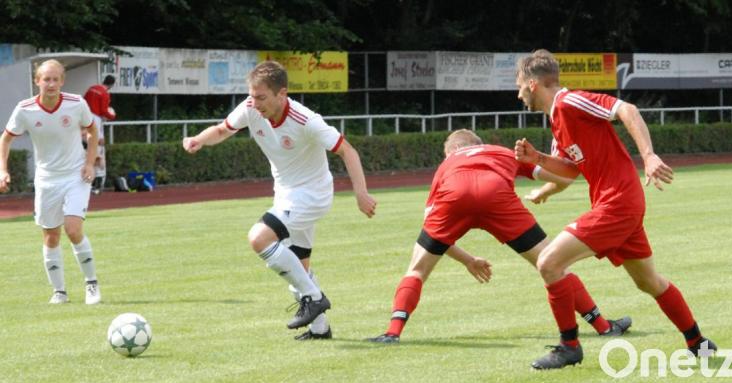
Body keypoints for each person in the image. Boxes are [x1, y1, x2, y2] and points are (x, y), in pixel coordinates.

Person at [513, 49, 716, 370]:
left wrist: (648, 156)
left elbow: (627, 110)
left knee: (549, 263)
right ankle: (698, 343)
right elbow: (570, 170)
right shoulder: (556, 120)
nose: (518, 93)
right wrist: (538, 162)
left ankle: (569, 347)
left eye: (519, 85)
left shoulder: (569, 102)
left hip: (617, 203)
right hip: (620, 204)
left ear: (533, 84)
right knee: (648, 282)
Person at [367, 129, 631, 344]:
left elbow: (431, 228)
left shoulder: (448, 164)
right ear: (478, 144)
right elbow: (562, 178)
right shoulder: (500, 151)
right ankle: (603, 326)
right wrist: (544, 192)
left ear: (452, 150)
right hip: (498, 196)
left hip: (454, 195)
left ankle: (392, 332)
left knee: (417, 269)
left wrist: (467, 260)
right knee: (553, 263)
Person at [183, 60, 377, 340]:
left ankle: (314, 298)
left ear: (282, 94)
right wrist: (199, 139)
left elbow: (348, 150)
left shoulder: (305, 120)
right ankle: (320, 328)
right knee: (298, 265)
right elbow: (223, 130)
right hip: (286, 193)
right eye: (252, 96)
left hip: (312, 195)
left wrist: (361, 193)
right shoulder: (250, 108)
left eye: (261, 97)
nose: (255, 103)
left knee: (259, 238)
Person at [0, 59, 102, 305]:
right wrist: (2, 170)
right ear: (37, 81)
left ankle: (91, 284)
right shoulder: (25, 109)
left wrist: (89, 163)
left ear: (62, 81)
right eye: (46, 79)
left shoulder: (76, 103)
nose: (51, 84)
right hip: (46, 180)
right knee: (51, 236)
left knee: (73, 229)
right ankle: (59, 292)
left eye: (56, 79)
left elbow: (92, 131)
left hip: (75, 176)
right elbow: (5, 139)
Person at [83, 75, 116, 194]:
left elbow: (83, 102)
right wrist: (112, 116)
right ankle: (97, 182)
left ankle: (87, 182)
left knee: (86, 146)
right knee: (99, 147)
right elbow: (103, 110)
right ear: (111, 85)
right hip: (95, 119)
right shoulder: (105, 93)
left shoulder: (92, 88)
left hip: (85, 118)